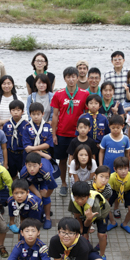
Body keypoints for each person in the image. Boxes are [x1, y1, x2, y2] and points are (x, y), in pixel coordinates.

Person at [51, 66, 90, 196]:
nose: (71, 79)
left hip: (78, 135)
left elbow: (87, 114)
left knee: (78, 160)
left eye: (74, 76)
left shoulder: (85, 94)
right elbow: (55, 115)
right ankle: (63, 183)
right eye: (68, 77)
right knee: (62, 160)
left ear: (78, 77)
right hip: (62, 133)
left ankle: (77, 182)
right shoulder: (58, 94)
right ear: (65, 79)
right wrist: (54, 133)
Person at [69, 181, 111, 260]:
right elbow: (76, 213)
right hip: (86, 214)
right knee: (82, 233)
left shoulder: (94, 203)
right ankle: (86, 247)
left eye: (82, 198)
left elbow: (88, 223)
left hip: (101, 213)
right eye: (77, 198)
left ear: (88, 196)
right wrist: (81, 227)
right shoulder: (73, 199)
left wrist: (88, 219)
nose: (80, 201)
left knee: (101, 235)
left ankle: (102, 255)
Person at [20, 152, 57, 230]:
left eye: (34, 166)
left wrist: (46, 195)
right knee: (35, 197)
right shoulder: (23, 173)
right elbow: (28, 184)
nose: (32, 169)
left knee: (46, 198)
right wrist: (37, 193)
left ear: (40, 165)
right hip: (33, 181)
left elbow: (51, 186)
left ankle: (47, 218)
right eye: (29, 166)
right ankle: (38, 214)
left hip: (44, 179)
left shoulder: (46, 172)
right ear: (25, 165)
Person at [107, 156, 130, 234]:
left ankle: (124, 224)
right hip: (114, 191)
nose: (123, 171)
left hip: (127, 191)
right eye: (120, 169)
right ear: (115, 169)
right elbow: (108, 191)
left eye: (125, 168)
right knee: (105, 207)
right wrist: (106, 203)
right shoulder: (111, 177)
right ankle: (113, 222)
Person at [3, 100, 30, 178]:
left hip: (22, 154)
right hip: (10, 153)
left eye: (18, 110)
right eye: (13, 110)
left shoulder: (26, 125)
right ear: (10, 111)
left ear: (23, 111)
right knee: (11, 174)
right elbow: (4, 142)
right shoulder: (6, 125)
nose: (15, 112)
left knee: (24, 173)